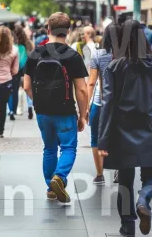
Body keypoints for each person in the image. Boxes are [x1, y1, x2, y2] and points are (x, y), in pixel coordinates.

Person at [98, 20, 152, 236]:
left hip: (122, 129)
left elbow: (108, 104)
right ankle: (144, 200)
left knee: (125, 181)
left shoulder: (114, 66)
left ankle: (127, 225)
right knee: (150, 176)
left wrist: (103, 139)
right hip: (149, 126)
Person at [24, 12, 88, 203]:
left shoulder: (35, 53)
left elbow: (26, 86)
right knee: (69, 147)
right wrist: (82, 115)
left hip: (43, 112)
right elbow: (82, 90)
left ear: (48, 29)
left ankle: (50, 189)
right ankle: (59, 177)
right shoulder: (72, 56)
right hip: (65, 111)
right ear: (67, 32)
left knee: (49, 149)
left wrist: (38, 101)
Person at [86, 23, 117, 185]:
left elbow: (91, 83)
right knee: (119, 136)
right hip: (119, 103)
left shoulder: (97, 55)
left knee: (95, 139)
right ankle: (120, 169)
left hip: (99, 102)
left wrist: (85, 107)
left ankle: (99, 174)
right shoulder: (124, 55)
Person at [8, 25, 34, 120]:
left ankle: (11, 110)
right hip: (26, 69)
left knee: (13, 90)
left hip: (14, 70)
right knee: (27, 88)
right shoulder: (28, 44)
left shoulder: (11, 44)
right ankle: (30, 106)